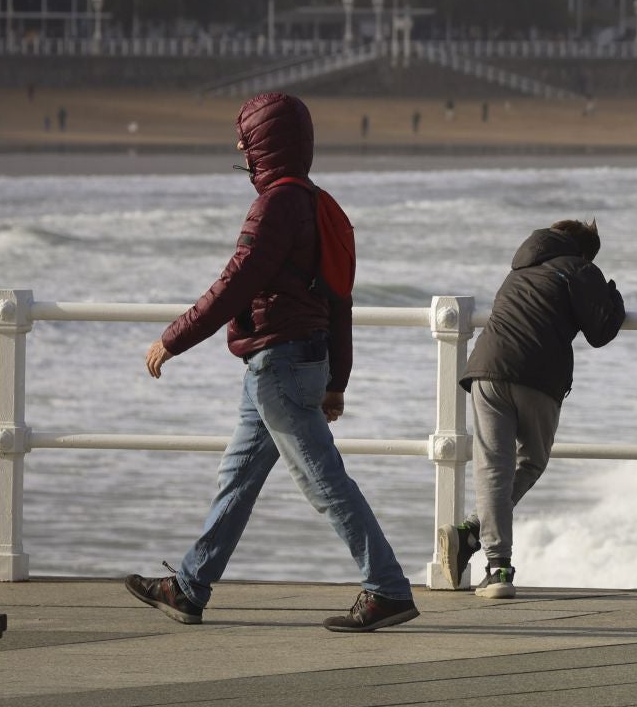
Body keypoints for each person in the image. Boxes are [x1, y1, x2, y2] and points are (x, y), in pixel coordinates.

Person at [125, 92, 418, 633]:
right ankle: (190, 586)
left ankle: (387, 589)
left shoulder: (276, 205)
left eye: (247, 139)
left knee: (323, 482)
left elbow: (239, 279)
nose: (240, 147)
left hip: (280, 365)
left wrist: (174, 338)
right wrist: (337, 381)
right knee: (236, 479)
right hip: (294, 361)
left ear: (267, 144)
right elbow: (339, 302)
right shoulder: (319, 204)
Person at [441, 219, 625, 598]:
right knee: (531, 461)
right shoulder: (580, 268)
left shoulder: (518, 269)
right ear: (584, 249)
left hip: (485, 371)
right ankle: (484, 546)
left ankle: (493, 562)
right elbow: (601, 331)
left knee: (493, 466)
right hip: (536, 376)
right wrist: (612, 295)